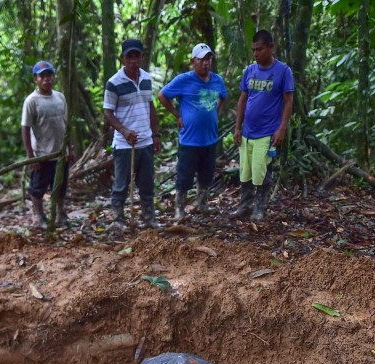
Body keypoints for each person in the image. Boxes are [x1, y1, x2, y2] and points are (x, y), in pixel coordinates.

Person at [158, 43, 228, 220]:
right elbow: (162, 95)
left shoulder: (217, 80)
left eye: (208, 59)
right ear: (193, 61)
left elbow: (223, 98)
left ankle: (202, 205)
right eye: (202, 59)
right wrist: (177, 115)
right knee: (185, 176)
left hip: (210, 139)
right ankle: (179, 209)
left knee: (206, 175)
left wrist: (216, 115)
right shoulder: (184, 80)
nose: (206, 63)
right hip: (190, 140)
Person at [231, 31, 295, 221]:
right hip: (248, 132)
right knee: (246, 170)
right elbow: (242, 100)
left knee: (263, 170)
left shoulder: (283, 71)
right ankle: (244, 206)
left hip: (267, 133)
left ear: (270, 47)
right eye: (253, 50)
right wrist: (237, 127)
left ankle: (259, 207)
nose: (256, 54)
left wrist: (282, 128)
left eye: (259, 49)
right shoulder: (250, 70)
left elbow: (288, 101)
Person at [103, 38, 162, 229]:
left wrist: (155, 135)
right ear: (123, 58)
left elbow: (150, 106)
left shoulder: (146, 78)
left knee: (146, 183)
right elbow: (108, 112)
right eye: (130, 56)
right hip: (124, 144)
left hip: (145, 141)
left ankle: (149, 218)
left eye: (137, 56)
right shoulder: (114, 83)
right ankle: (118, 219)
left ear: (142, 57)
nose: (133, 60)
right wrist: (124, 130)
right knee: (121, 183)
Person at [21, 61, 73, 228]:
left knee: (60, 185)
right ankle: (40, 216)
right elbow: (25, 128)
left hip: (60, 152)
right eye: (41, 76)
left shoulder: (60, 97)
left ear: (53, 77)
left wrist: (69, 148)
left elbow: (66, 124)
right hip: (43, 154)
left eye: (49, 75)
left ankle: (61, 213)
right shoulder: (31, 101)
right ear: (36, 79)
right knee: (37, 188)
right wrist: (31, 156)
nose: (46, 79)